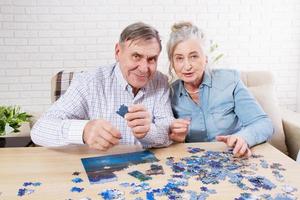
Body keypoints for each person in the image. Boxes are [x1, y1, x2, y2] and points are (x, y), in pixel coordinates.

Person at [31, 22, 173, 151]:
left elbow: (169, 133)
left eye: (151, 59)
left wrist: (149, 132)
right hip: (100, 168)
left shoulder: (160, 81)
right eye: (136, 56)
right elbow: (40, 130)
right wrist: (84, 131)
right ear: (118, 52)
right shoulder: (88, 81)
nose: (144, 68)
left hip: (148, 169)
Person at [167, 22, 274, 157]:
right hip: (192, 164)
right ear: (172, 63)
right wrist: (175, 139)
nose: (187, 66)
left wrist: (244, 137)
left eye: (194, 56)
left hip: (233, 158)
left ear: (205, 58)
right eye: (179, 58)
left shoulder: (230, 81)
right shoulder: (168, 94)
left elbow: (264, 124)